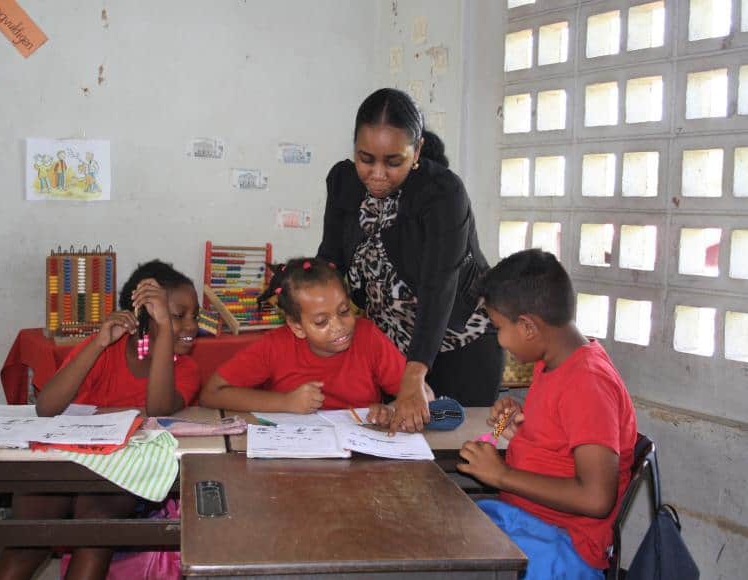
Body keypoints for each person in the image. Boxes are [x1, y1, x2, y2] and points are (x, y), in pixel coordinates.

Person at [0, 259, 200, 580]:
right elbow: (46, 407)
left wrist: (166, 332)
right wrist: (99, 342)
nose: (191, 326)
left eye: (194, 316)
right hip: (64, 460)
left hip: (119, 470)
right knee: (26, 544)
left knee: (94, 537)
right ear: (144, 317)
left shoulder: (185, 369)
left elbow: (157, 407)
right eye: (176, 316)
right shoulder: (105, 349)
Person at [317, 87, 502, 434]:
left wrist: (415, 373)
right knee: (395, 446)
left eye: (393, 161)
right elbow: (331, 260)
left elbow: (439, 285)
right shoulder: (343, 182)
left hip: (459, 343)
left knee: (453, 451)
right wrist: (305, 290)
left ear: (416, 151)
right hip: (394, 350)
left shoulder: (441, 194)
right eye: (366, 158)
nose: (377, 174)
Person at [457, 249, 637, 579]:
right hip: (524, 518)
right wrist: (520, 419)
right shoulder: (554, 362)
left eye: (498, 327)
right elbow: (562, 431)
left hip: (562, 544)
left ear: (528, 326)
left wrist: (501, 476)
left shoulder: (588, 382)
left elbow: (597, 497)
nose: (499, 339)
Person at [199, 257, 423, 426]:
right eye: (321, 321)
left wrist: (391, 409)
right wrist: (286, 403)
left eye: (344, 311)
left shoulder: (368, 336)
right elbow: (212, 393)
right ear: (297, 327)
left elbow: (424, 393)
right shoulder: (274, 346)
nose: (338, 326)